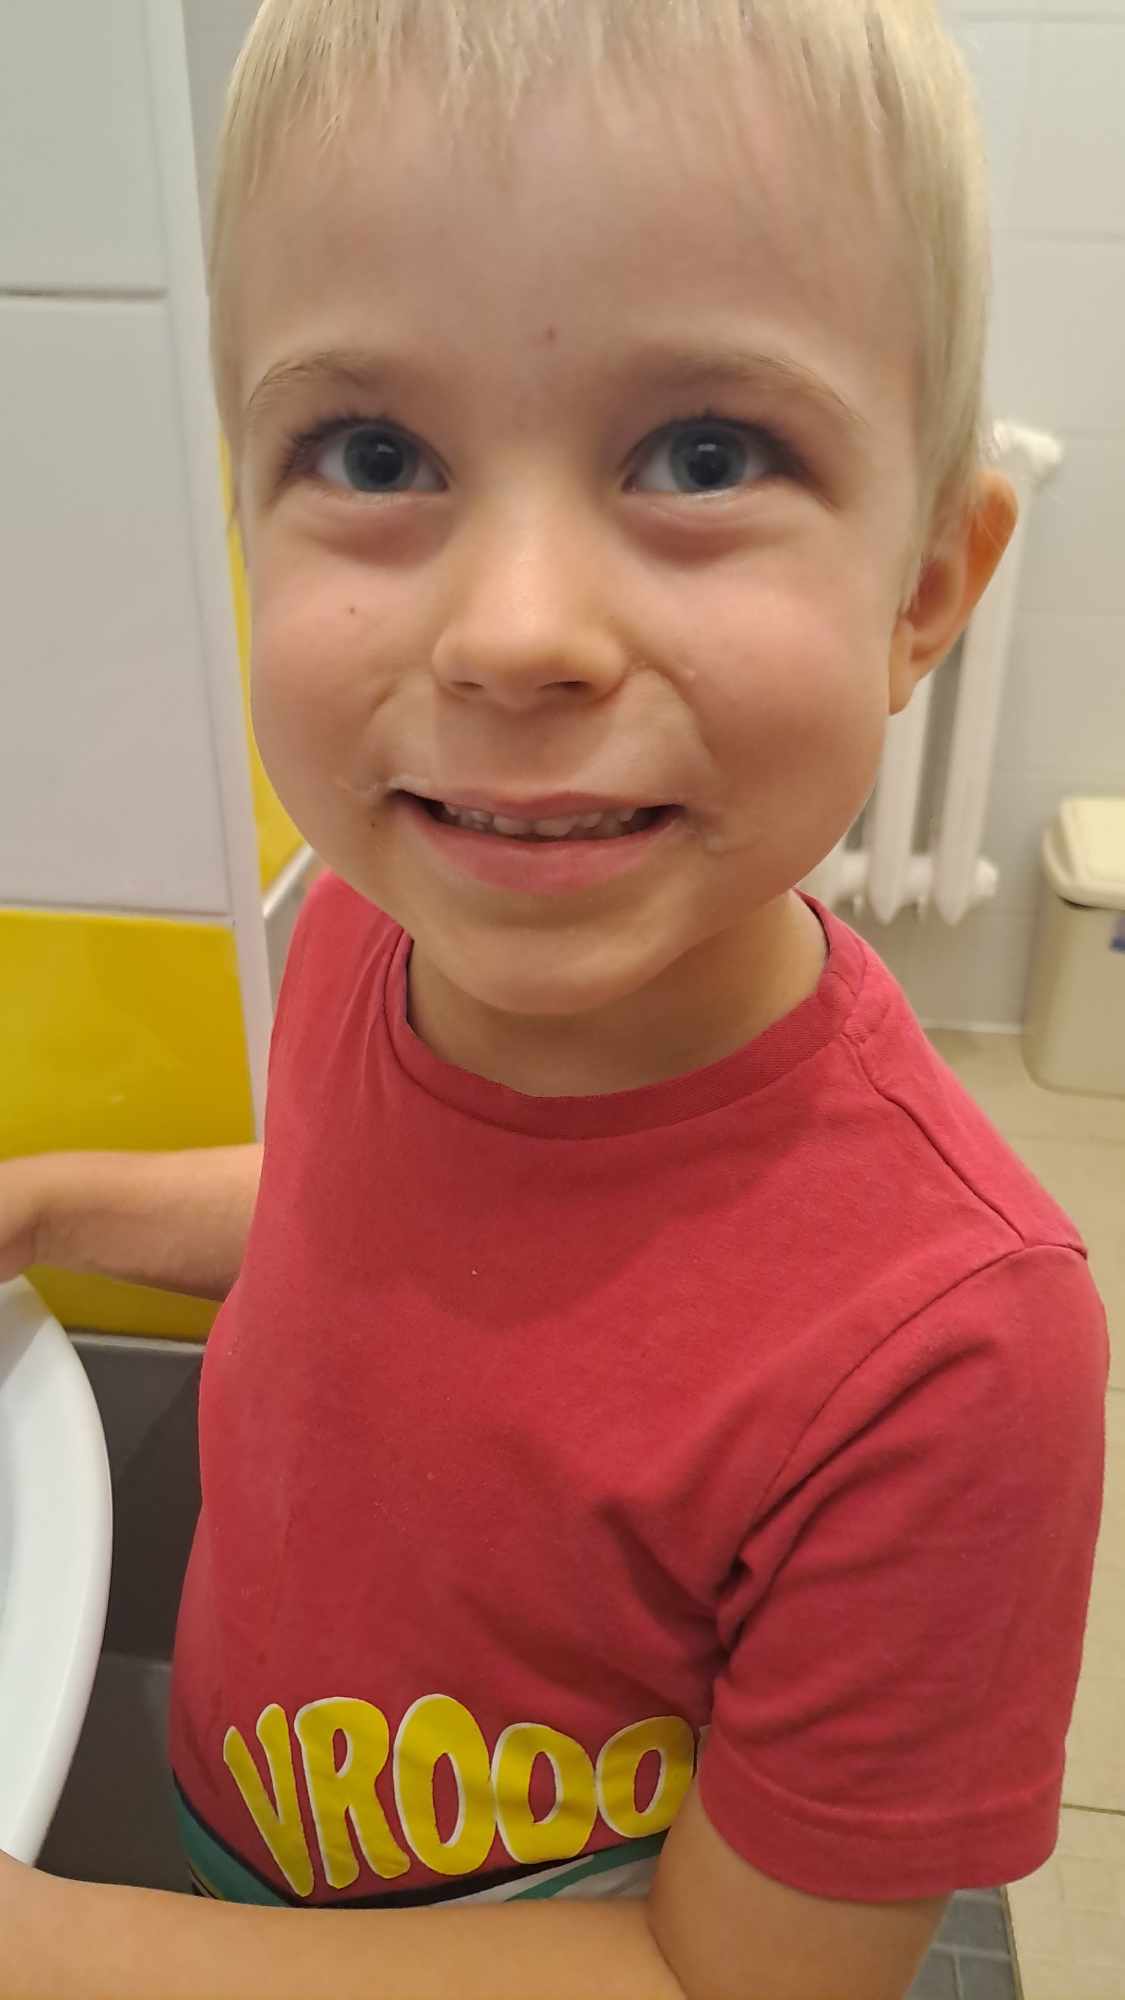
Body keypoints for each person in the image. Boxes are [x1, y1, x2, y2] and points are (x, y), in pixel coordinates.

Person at [0, 1, 1109, 1994]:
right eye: (374, 454)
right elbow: (369, 1218)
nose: (513, 635)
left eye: (702, 455)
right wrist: (49, 1202)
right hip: (252, 1845)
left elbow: (725, 1977)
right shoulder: (382, 928)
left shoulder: (952, 1353)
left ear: (923, 591)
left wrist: (58, 1943)